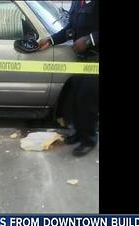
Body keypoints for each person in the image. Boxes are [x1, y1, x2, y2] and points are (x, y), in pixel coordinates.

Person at [39, 0, 99, 157]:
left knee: (88, 103)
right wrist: (51, 40)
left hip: (95, 60)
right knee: (77, 100)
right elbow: (70, 29)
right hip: (80, 60)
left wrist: (88, 40)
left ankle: (89, 140)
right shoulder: (77, 2)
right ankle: (79, 134)